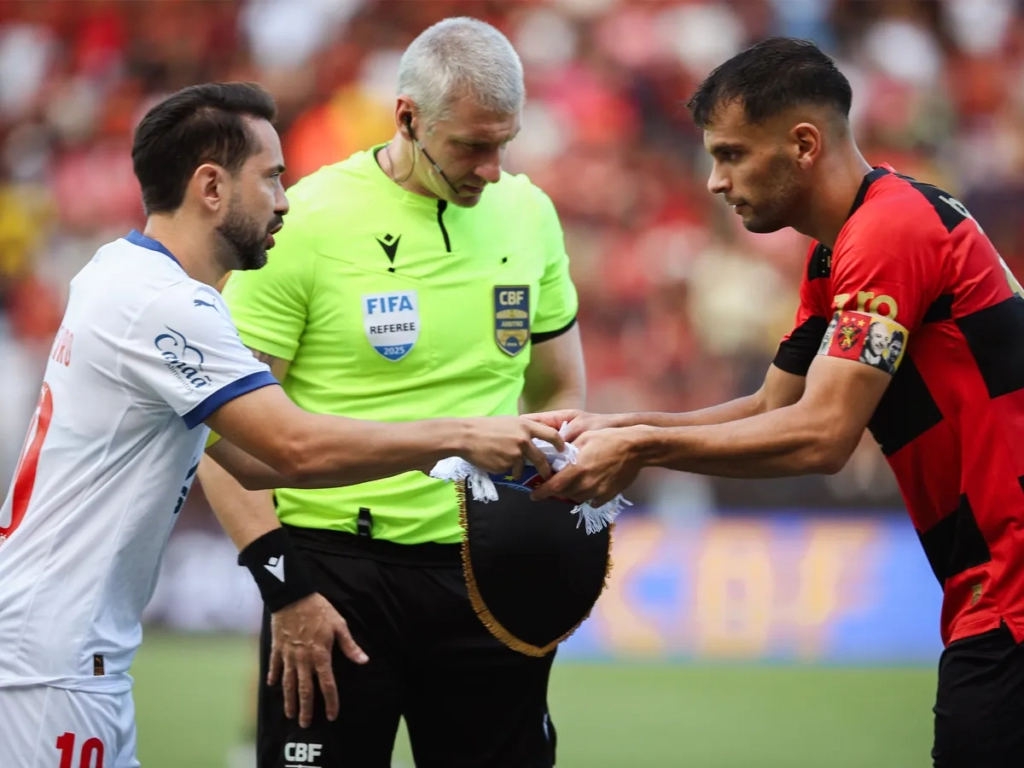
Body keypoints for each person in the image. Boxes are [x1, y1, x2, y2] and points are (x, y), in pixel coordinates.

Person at [0, 81, 564, 768]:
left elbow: (250, 461)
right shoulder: (167, 307)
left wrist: (424, 458)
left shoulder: (120, 272)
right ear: (212, 187)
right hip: (49, 666)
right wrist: (460, 436)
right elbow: (292, 446)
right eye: (270, 178)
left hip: (67, 652)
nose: (284, 201)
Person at [530, 37, 1024, 768]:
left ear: (803, 144)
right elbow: (772, 407)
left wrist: (642, 447)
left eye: (731, 154)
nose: (714, 182)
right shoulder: (843, 248)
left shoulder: (889, 231)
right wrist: (620, 425)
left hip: (1012, 585)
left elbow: (823, 435)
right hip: (991, 582)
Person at [198, 17, 585, 768]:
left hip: (488, 573)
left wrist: (556, 497)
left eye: (504, 143)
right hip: (334, 577)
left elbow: (560, 384)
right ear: (406, 117)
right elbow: (222, 432)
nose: (492, 169)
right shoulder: (304, 221)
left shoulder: (530, 212)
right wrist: (285, 590)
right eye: (471, 146)